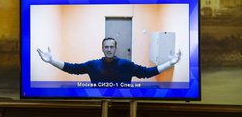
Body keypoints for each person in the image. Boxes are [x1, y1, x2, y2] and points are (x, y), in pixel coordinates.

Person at [37, 37, 181, 84]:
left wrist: (170, 63)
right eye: (106, 47)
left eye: (111, 47)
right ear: (102, 49)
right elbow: (72, 68)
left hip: (123, 105)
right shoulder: (92, 65)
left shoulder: (126, 65)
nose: (109, 49)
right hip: (97, 104)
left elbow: (148, 72)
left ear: (115, 48)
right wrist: (51, 61)